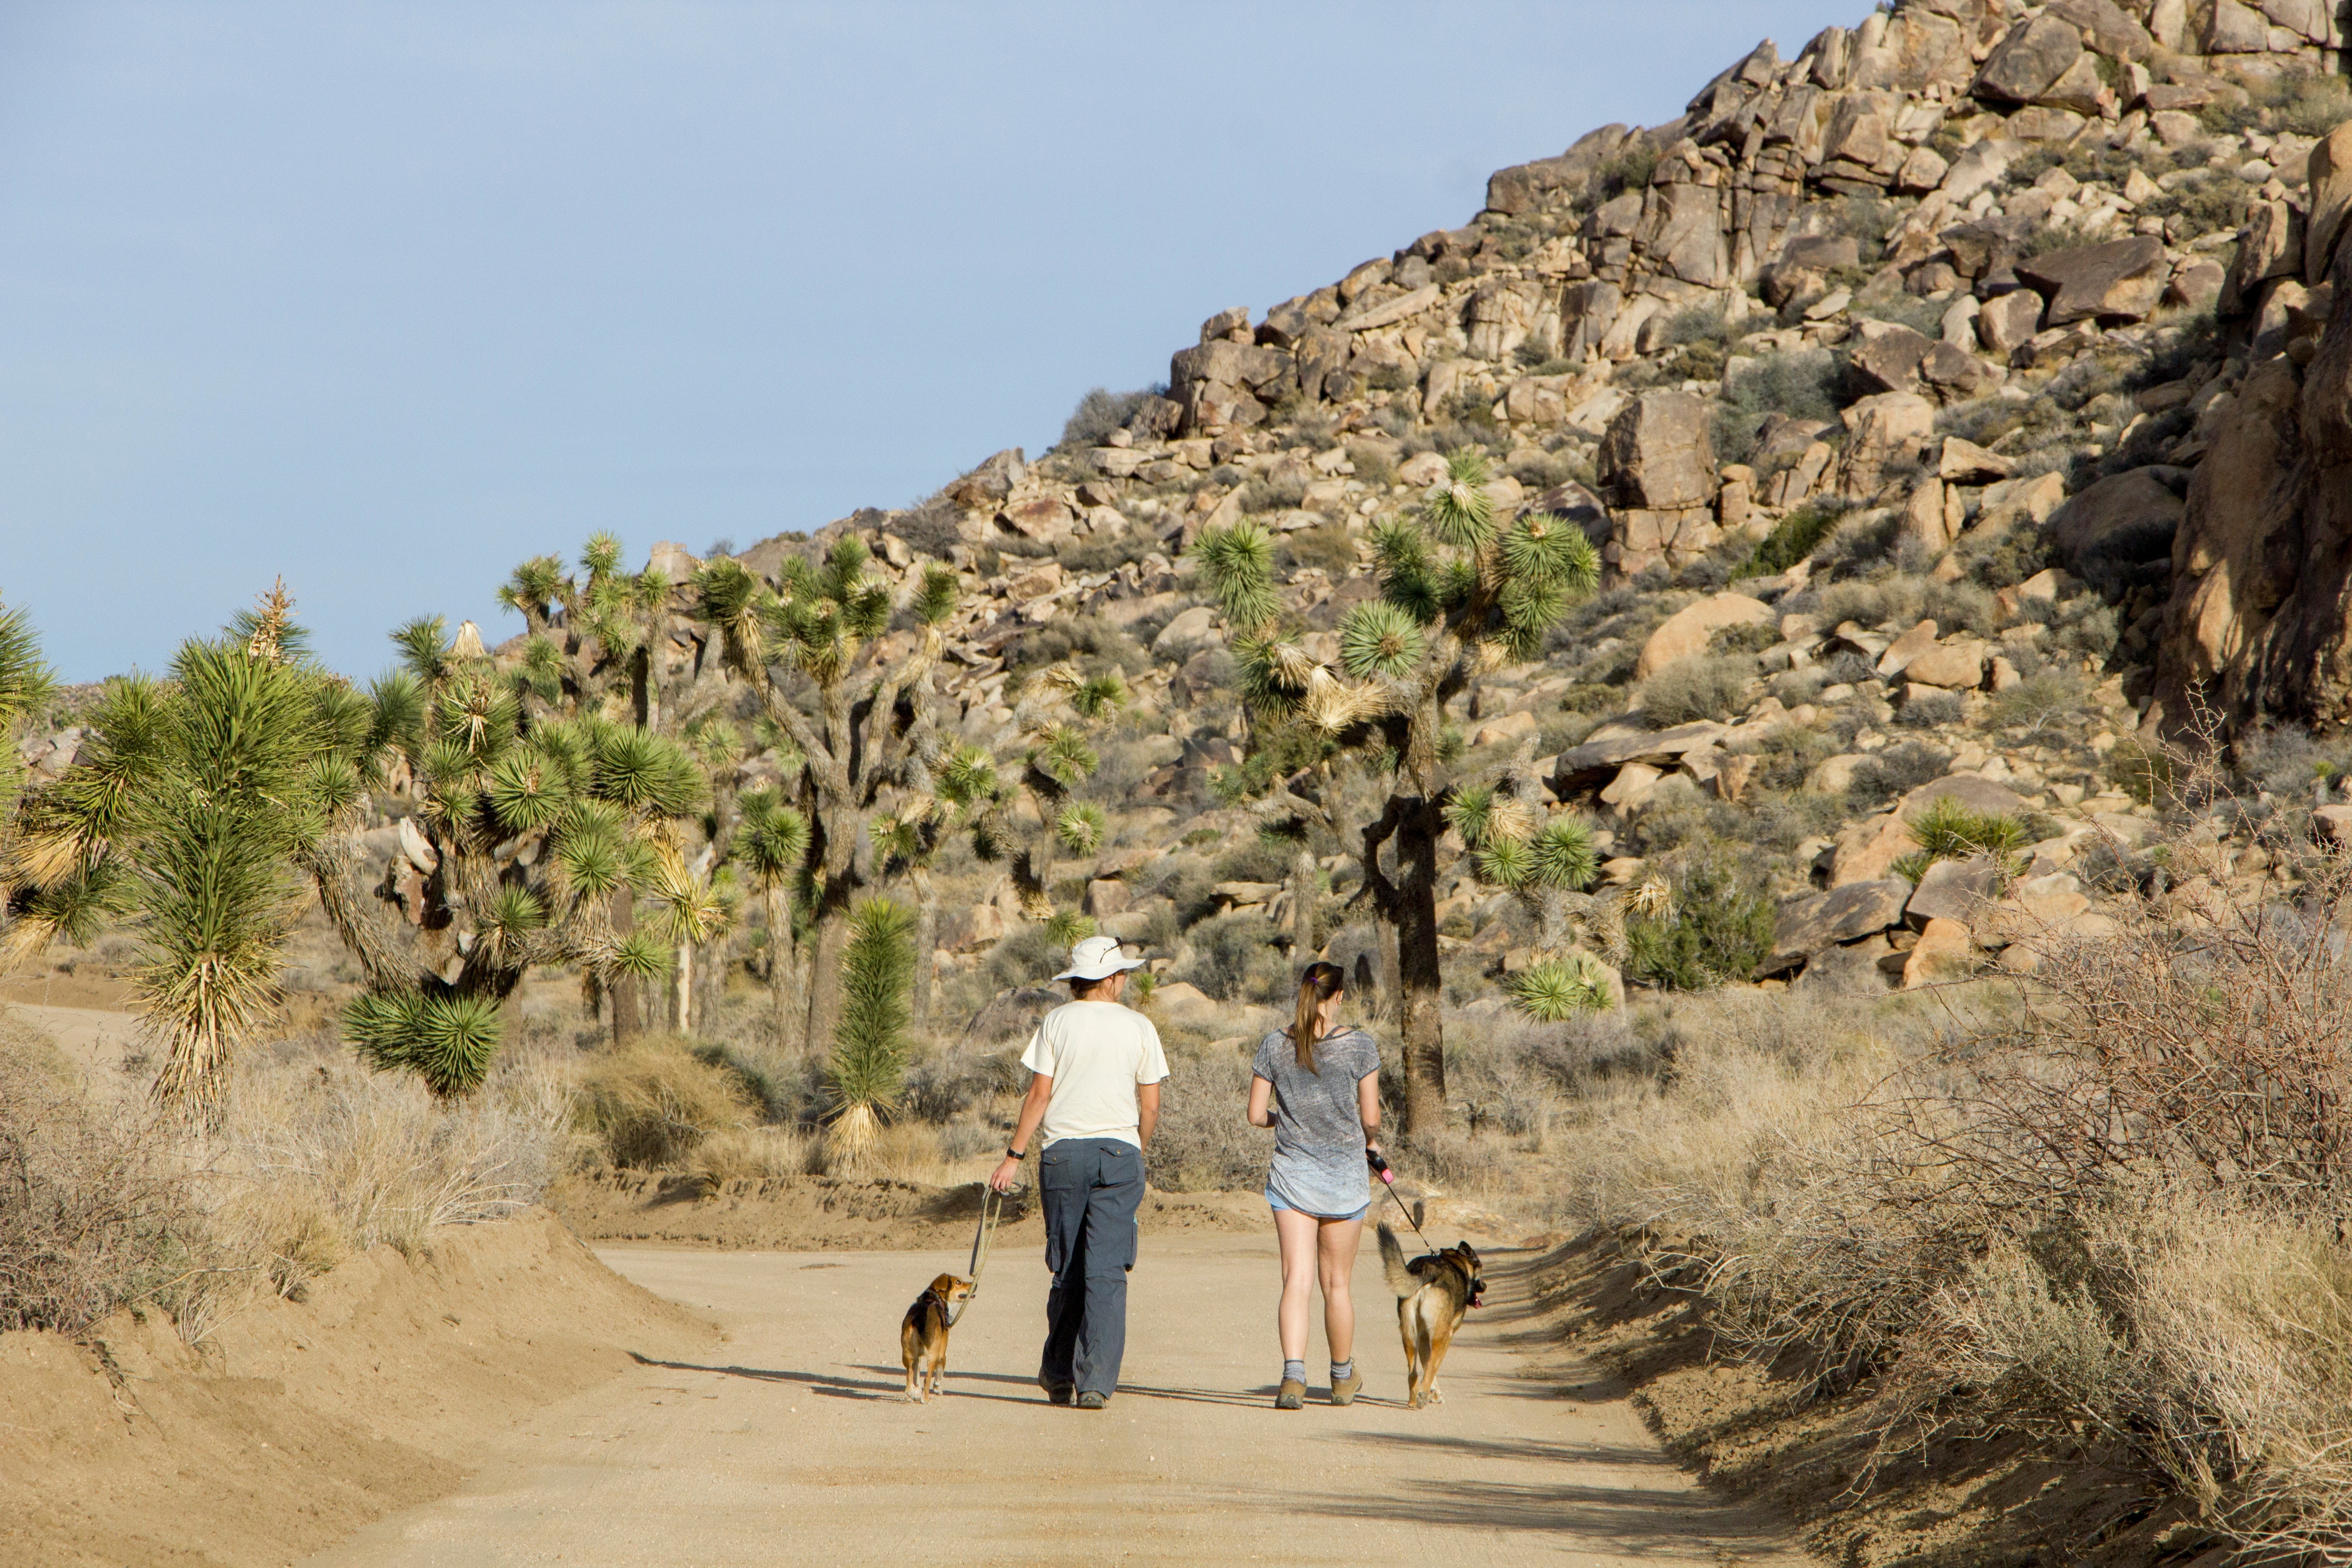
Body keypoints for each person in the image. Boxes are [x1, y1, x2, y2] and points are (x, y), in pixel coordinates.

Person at [989, 934, 1168, 1410]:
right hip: (1119, 1154)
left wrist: (1014, 1155)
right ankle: (1095, 1383)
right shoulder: (1140, 1026)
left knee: (1067, 1266)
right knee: (1107, 1272)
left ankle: (1058, 1372)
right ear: (1109, 980)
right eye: (1123, 974)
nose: (1126, 981)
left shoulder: (1056, 1022)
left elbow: (1039, 1096)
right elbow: (1150, 1106)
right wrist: (1137, 1150)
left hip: (1064, 1155)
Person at [1247, 960, 1381, 1410]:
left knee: (1296, 1280)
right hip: (1344, 1178)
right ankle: (1342, 1379)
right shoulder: (1360, 1046)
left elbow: (1254, 1115)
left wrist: (1283, 1120)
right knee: (1336, 1284)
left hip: (1292, 1177)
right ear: (1339, 996)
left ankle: (1293, 1377)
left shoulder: (1274, 1045)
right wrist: (1372, 1142)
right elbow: (1371, 1119)